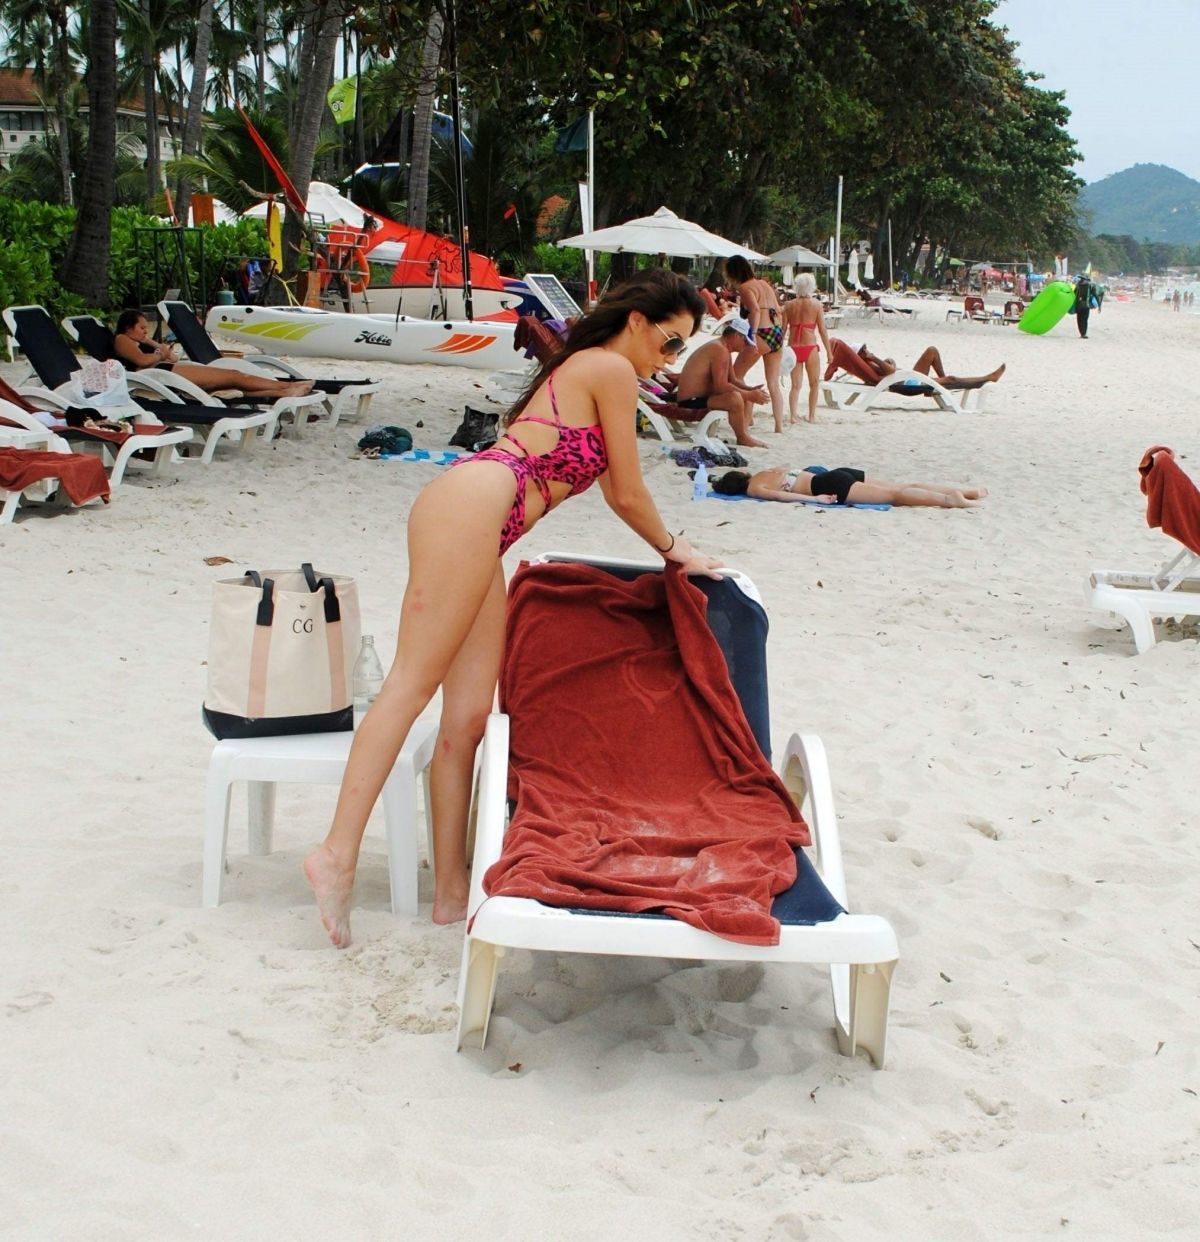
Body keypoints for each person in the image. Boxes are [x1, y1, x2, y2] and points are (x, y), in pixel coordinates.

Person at [303, 270, 723, 947]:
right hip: (471, 506)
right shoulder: (610, 368)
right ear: (638, 321)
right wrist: (680, 551)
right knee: (410, 685)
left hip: (484, 521)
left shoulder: (590, 367)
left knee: (468, 718)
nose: (670, 360)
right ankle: (336, 854)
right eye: (670, 342)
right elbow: (626, 493)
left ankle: (450, 893)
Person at [112, 310, 314, 397]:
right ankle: (287, 386)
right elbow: (141, 360)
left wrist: (150, 342)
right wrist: (159, 353)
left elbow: (173, 357)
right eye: (142, 328)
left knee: (232, 386)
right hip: (158, 375)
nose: (145, 332)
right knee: (235, 376)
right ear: (128, 328)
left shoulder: (139, 341)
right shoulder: (122, 339)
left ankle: (283, 391)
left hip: (166, 370)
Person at [710, 464, 987, 508]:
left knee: (894, 496)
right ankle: (966, 491)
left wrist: (817, 500)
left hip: (828, 484)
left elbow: (780, 497)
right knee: (902, 485)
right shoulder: (764, 472)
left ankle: (949, 500)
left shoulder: (753, 488)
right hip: (834, 473)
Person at [673, 324, 770, 447]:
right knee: (735, 399)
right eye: (745, 341)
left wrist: (751, 390)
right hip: (689, 401)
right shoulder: (719, 350)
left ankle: (744, 434)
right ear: (736, 336)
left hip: (698, 397)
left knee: (744, 396)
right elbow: (721, 386)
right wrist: (749, 394)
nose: (746, 345)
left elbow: (733, 380)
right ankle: (742, 437)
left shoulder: (722, 348)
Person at [724, 255, 786, 433]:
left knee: (736, 376)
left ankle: (748, 417)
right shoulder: (764, 284)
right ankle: (779, 426)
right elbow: (778, 309)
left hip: (762, 333)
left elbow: (755, 310)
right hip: (776, 333)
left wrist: (751, 334)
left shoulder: (745, 287)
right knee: (773, 383)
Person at [825, 339, 1005, 390]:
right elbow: (890, 373)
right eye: (864, 349)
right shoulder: (868, 361)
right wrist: (874, 357)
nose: (867, 349)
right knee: (951, 379)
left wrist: (886, 361)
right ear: (860, 354)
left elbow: (888, 369)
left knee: (932, 351)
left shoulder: (864, 364)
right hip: (906, 383)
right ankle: (989, 378)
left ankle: (939, 386)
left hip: (907, 378)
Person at [781, 273, 832, 424]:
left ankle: (793, 416)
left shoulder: (789, 305)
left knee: (795, 386)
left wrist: (778, 348)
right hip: (810, 347)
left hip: (793, 347)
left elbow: (783, 330)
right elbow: (822, 330)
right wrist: (829, 352)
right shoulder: (816, 305)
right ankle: (811, 416)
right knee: (814, 384)